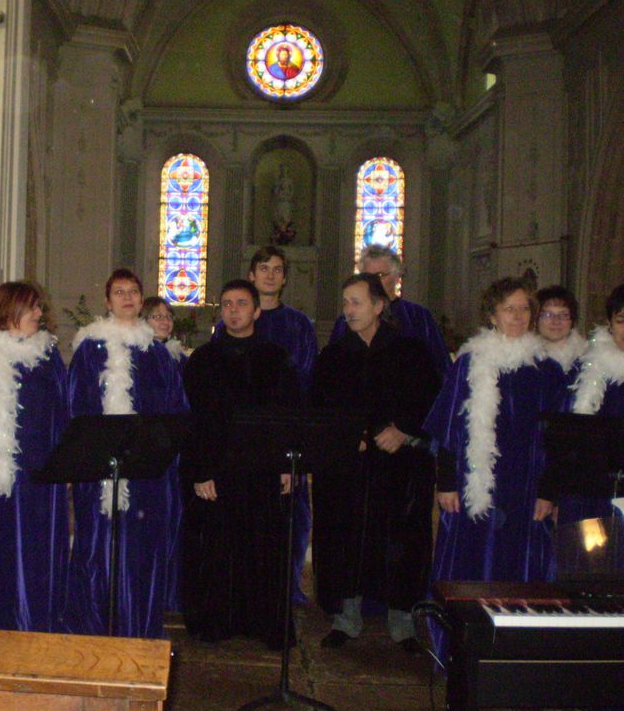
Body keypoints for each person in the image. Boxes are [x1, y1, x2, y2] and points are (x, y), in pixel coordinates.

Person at [424, 277, 562, 660]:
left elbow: (558, 439)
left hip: (525, 490)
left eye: (524, 309)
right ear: (492, 315)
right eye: (509, 309)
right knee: (470, 565)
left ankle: (514, 655)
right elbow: (448, 429)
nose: (518, 316)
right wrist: (446, 482)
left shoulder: (546, 369)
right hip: (474, 488)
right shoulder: (469, 362)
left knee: (520, 569)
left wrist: (548, 491)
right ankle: (463, 652)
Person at [310, 274, 441, 652]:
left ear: (379, 305)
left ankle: (403, 623)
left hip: (399, 469)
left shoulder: (411, 352)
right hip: (348, 470)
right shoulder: (334, 356)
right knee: (346, 539)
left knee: (401, 542)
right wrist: (348, 437)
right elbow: (320, 410)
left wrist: (403, 431)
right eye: (346, 302)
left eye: (356, 302)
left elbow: (430, 403)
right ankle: (345, 619)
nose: (348, 310)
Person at [64, 269, 187, 639]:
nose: (127, 298)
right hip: (102, 469)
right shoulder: (90, 349)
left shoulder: (157, 351)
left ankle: (139, 626)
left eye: (133, 291)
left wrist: (159, 447)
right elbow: (77, 408)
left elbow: (175, 408)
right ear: (107, 301)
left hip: (147, 471)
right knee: (98, 546)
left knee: (140, 550)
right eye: (119, 292)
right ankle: (96, 624)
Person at [182, 279, 302, 648]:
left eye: (240, 303)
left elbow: (289, 415)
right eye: (227, 303)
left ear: (256, 311)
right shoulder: (203, 359)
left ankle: (265, 624)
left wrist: (287, 465)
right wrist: (201, 470)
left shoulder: (276, 358)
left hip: (264, 469)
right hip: (218, 471)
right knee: (218, 550)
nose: (233, 310)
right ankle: (217, 622)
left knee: (265, 549)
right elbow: (194, 420)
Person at [0, 281, 70, 632]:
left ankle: (38, 623)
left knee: (39, 552)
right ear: (11, 311)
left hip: (41, 473)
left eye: (39, 307)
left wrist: (64, 465)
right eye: (32, 307)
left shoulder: (48, 356)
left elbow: (63, 412)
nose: (39, 314)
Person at [214, 246, 317, 603]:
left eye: (277, 269)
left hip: (284, 434)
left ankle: (286, 587)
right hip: (240, 440)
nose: (271, 275)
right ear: (253, 275)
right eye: (263, 268)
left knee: (290, 516)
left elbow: (305, 383)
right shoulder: (230, 322)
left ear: (285, 278)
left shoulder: (299, 324)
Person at [552, 283, 624, 524]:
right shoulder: (585, 367)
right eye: (621, 320)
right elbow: (564, 434)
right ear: (610, 323)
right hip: (591, 492)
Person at [330, 246, 450, 380]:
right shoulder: (346, 320)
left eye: (380, 275)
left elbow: (440, 367)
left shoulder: (418, 316)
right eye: (367, 276)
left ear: (397, 277)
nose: (373, 282)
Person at [141, 295, 187, 611]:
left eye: (167, 315)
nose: (164, 321)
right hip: (152, 450)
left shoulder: (178, 357)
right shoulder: (142, 355)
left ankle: (170, 590)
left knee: (175, 518)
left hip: (175, 451)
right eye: (156, 316)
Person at [536, 285, 586, 387]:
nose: (556, 321)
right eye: (548, 315)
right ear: (536, 319)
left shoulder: (586, 359)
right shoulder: (526, 360)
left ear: (572, 320)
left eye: (563, 315)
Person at [142, 296, 187, 369]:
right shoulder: (139, 354)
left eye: (169, 316)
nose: (166, 321)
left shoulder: (178, 357)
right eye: (158, 316)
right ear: (143, 320)